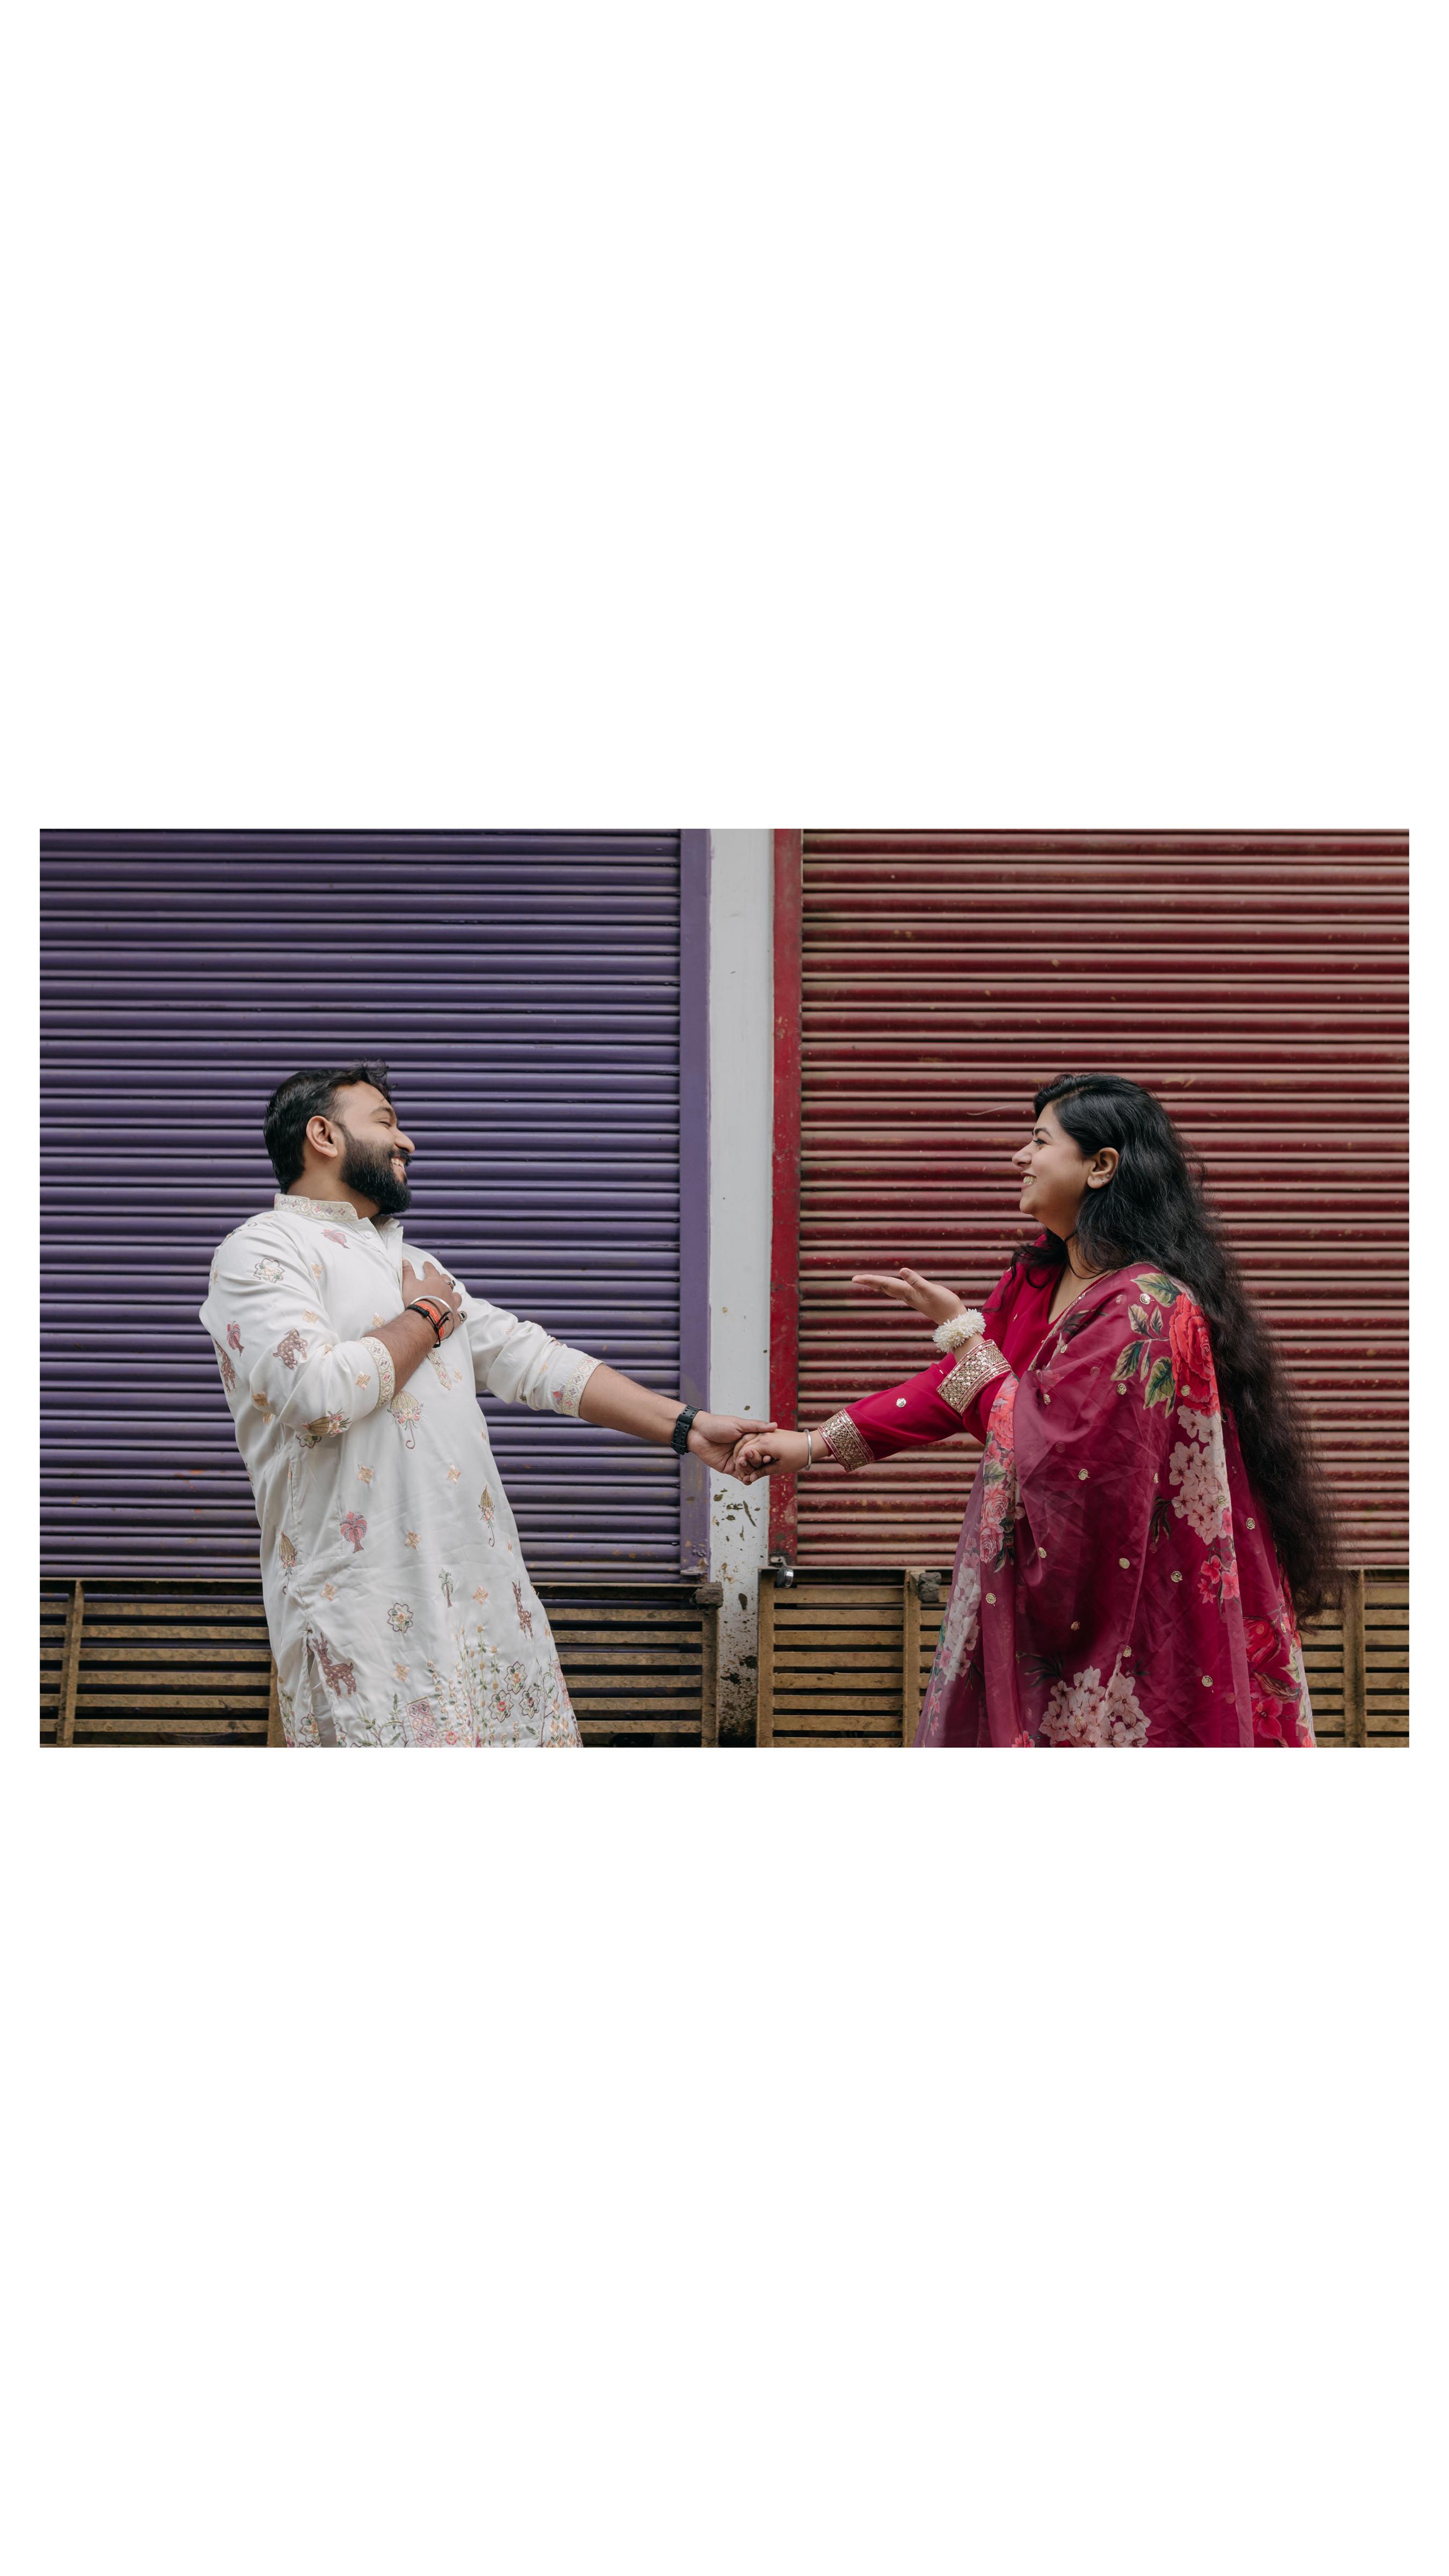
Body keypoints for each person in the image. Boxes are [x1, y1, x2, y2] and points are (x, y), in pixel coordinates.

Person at [731, 1074, 1335, 1747]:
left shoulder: (1146, 1305)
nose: (1020, 1157)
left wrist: (961, 1331)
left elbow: (1059, 1447)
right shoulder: (1036, 1281)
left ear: (1102, 1166)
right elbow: (963, 1387)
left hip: (1138, 1603)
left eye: (1040, 1141)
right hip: (1049, 1597)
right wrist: (812, 1445)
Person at [200, 1062, 768, 1747]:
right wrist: (431, 1314)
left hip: (479, 1591)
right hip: (362, 1598)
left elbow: (537, 1362)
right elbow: (315, 1395)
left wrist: (687, 1427)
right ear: (322, 1135)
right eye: (384, 1121)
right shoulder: (262, 1249)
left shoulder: (415, 1266)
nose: (406, 1142)